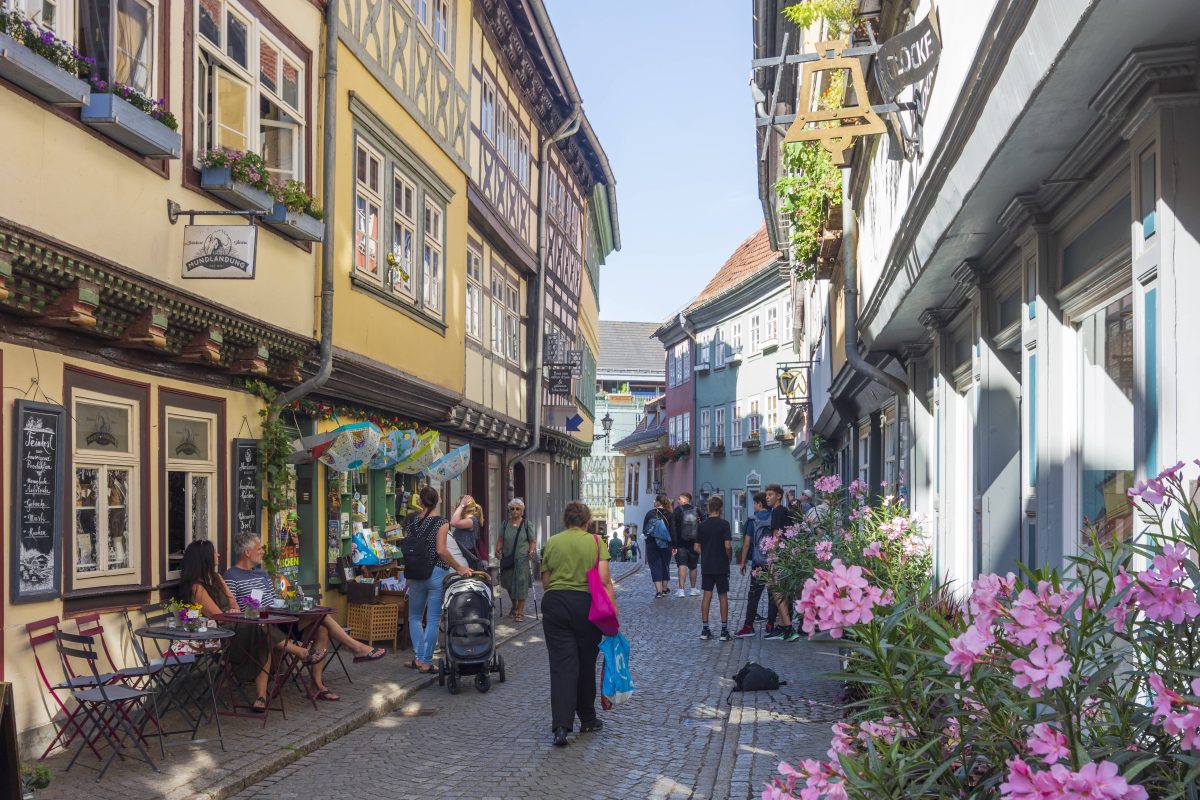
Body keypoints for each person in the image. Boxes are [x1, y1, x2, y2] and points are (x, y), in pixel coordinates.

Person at [224, 532, 386, 703]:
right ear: (247, 553)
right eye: (259, 549)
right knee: (273, 628)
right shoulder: (231, 576)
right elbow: (233, 608)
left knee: (321, 623)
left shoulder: (262, 574)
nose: (262, 552)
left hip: (280, 620)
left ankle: (321, 680)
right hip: (256, 626)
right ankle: (349, 652)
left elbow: (271, 600)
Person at [180, 540, 311, 711]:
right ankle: (300, 652)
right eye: (214, 553)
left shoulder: (217, 577)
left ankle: (261, 697)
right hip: (221, 632)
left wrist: (234, 612)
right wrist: (232, 613)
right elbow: (217, 615)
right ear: (205, 558)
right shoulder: (197, 588)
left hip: (238, 624)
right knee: (260, 630)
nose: (218, 555)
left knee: (262, 635)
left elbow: (233, 604)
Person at [540, 501, 616, 747]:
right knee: (585, 663)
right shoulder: (595, 542)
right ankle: (588, 718)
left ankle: (561, 727)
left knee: (562, 666)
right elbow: (604, 580)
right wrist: (613, 614)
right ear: (586, 522)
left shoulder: (552, 542)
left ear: (565, 521)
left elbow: (546, 581)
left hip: (556, 604)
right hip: (586, 605)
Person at [405, 486, 474, 673]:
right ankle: (426, 662)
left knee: (414, 617)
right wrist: (459, 568)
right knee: (434, 619)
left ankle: (418, 658)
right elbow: (441, 550)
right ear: (438, 500)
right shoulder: (441, 522)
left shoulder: (411, 522)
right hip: (435, 572)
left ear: (420, 501)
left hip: (415, 572)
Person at [734, 492, 778, 638]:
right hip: (773, 562)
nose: (754, 506)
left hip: (758, 563)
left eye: (755, 503)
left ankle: (748, 626)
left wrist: (743, 561)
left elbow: (747, 543)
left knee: (754, 595)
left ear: (760, 503)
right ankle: (770, 625)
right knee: (772, 595)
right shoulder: (774, 517)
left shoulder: (752, 520)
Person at [763, 484, 800, 642]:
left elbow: (776, 536)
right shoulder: (784, 510)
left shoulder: (777, 512)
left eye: (770, 494)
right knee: (783, 591)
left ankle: (789, 628)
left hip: (779, 556)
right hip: (788, 555)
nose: (767, 497)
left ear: (778, 496)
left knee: (777, 591)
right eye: (767, 495)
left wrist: (771, 558)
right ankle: (782, 627)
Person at [694, 495, 733, 641]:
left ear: (709, 508)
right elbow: (728, 545)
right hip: (721, 564)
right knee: (722, 596)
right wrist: (728, 557)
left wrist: (706, 553)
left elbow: (696, 547)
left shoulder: (702, 525)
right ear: (721, 508)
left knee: (707, 595)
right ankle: (724, 631)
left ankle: (705, 629)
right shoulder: (724, 524)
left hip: (707, 564)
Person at [496, 498, 536, 622]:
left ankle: (520, 611)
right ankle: (514, 606)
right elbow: (501, 539)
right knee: (509, 584)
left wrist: (531, 551)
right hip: (508, 558)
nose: (514, 511)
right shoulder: (504, 524)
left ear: (522, 511)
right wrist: (498, 549)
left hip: (522, 559)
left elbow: (532, 541)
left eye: (517, 509)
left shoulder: (526, 524)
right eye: (512, 509)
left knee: (521, 584)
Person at [642, 495, 675, 598]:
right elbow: (673, 532)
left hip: (651, 544)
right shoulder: (670, 514)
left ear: (657, 502)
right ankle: (665, 589)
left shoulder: (649, 514)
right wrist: (675, 546)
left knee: (655, 566)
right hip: (666, 544)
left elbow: (645, 530)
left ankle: (658, 591)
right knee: (665, 565)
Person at [672, 493, 701, 597]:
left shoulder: (677, 510)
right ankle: (693, 589)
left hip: (680, 543)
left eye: (679, 499)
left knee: (682, 565)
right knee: (693, 566)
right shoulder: (697, 510)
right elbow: (702, 525)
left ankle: (681, 590)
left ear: (685, 500)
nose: (678, 501)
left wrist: (674, 545)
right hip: (694, 542)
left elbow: (673, 529)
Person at [448, 494, 487, 570]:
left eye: (457, 505)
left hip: (467, 558)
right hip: (462, 556)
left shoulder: (472, 520)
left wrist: (461, 505)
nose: (456, 508)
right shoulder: (465, 520)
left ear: (465, 507)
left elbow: (453, 522)